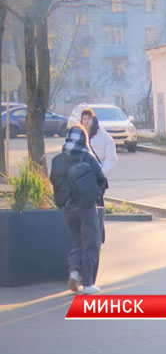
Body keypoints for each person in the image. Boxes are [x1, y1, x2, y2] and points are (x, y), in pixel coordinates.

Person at [50, 125, 106, 294]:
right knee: (91, 244)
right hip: (86, 207)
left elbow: (53, 180)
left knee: (77, 240)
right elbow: (101, 177)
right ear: (84, 139)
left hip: (67, 208)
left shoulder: (57, 159)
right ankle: (89, 283)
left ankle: (74, 271)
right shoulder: (86, 157)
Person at [81, 108, 116, 243]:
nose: (86, 122)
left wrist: (100, 173)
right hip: (82, 179)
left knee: (98, 206)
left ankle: (99, 236)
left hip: (97, 179)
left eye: (88, 119)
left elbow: (111, 159)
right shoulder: (80, 136)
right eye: (84, 119)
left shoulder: (104, 137)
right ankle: (87, 237)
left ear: (93, 120)